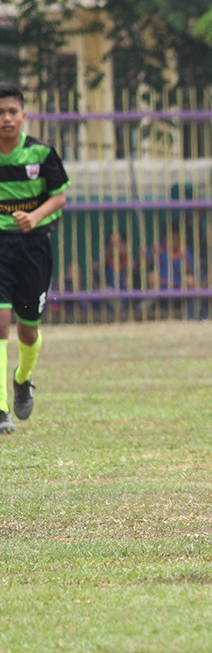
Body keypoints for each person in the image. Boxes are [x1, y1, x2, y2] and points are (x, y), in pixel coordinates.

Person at [0, 81, 71, 433]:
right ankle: (0, 409)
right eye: (0, 113)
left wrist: (34, 217)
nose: (6, 118)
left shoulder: (42, 154)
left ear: (24, 116)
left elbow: (59, 197)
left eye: (12, 112)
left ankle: (23, 378)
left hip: (33, 247)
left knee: (28, 330)